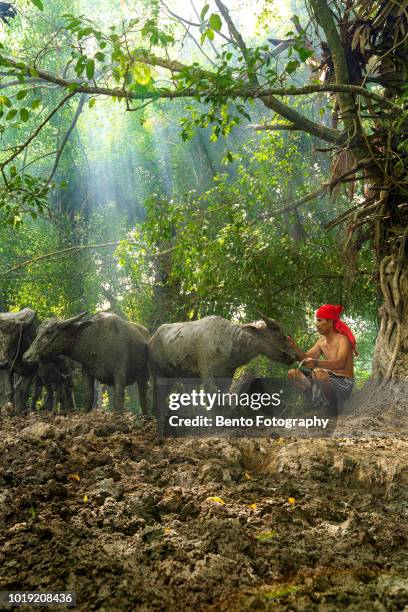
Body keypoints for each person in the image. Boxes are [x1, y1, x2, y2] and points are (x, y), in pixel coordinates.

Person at [287, 304, 357, 412]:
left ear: (330, 322)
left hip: (344, 383)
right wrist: (293, 346)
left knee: (318, 373)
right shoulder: (321, 342)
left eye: (320, 321)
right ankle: (316, 400)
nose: (317, 325)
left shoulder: (343, 339)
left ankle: (334, 406)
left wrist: (316, 363)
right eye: (317, 321)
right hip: (327, 380)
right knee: (292, 373)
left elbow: (340, 363)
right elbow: (305, 359)